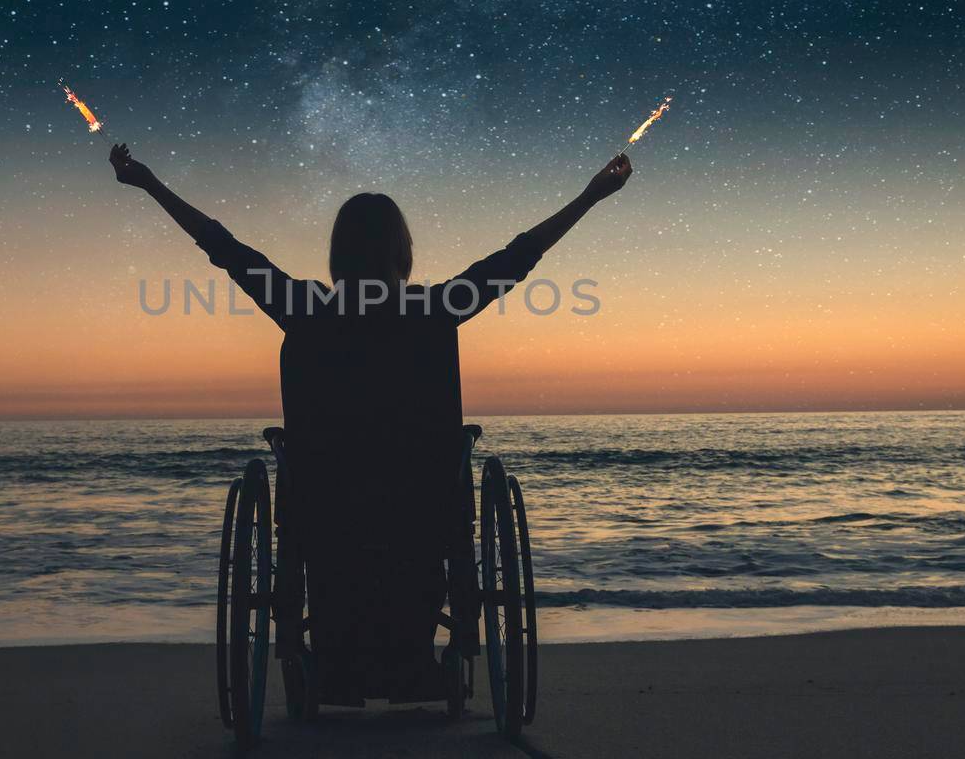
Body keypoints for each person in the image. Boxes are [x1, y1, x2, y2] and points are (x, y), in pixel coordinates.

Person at [109, 142, 632, 700]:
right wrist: (590, 196)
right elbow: (519, 256)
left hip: (326, 499)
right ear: (401, 251)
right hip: (423, 497)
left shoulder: (303, 307)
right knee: (419, 545)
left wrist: (150, 184)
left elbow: (224, 247)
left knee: (336, 559)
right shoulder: (435, 308)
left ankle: (337, 663)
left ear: (338, 251)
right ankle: (411, 662)